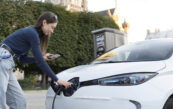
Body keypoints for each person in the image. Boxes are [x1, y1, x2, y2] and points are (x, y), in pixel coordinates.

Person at [0, 11, 71, 109]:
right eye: (52, 27)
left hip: (8, 63)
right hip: (2, 58)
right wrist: (57, 80)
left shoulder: (32, 35)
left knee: (20, 102)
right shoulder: (32, 33)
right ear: (44, 22)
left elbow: (23, 60)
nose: (52, 31)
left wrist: (42, 57)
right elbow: (40, 62)